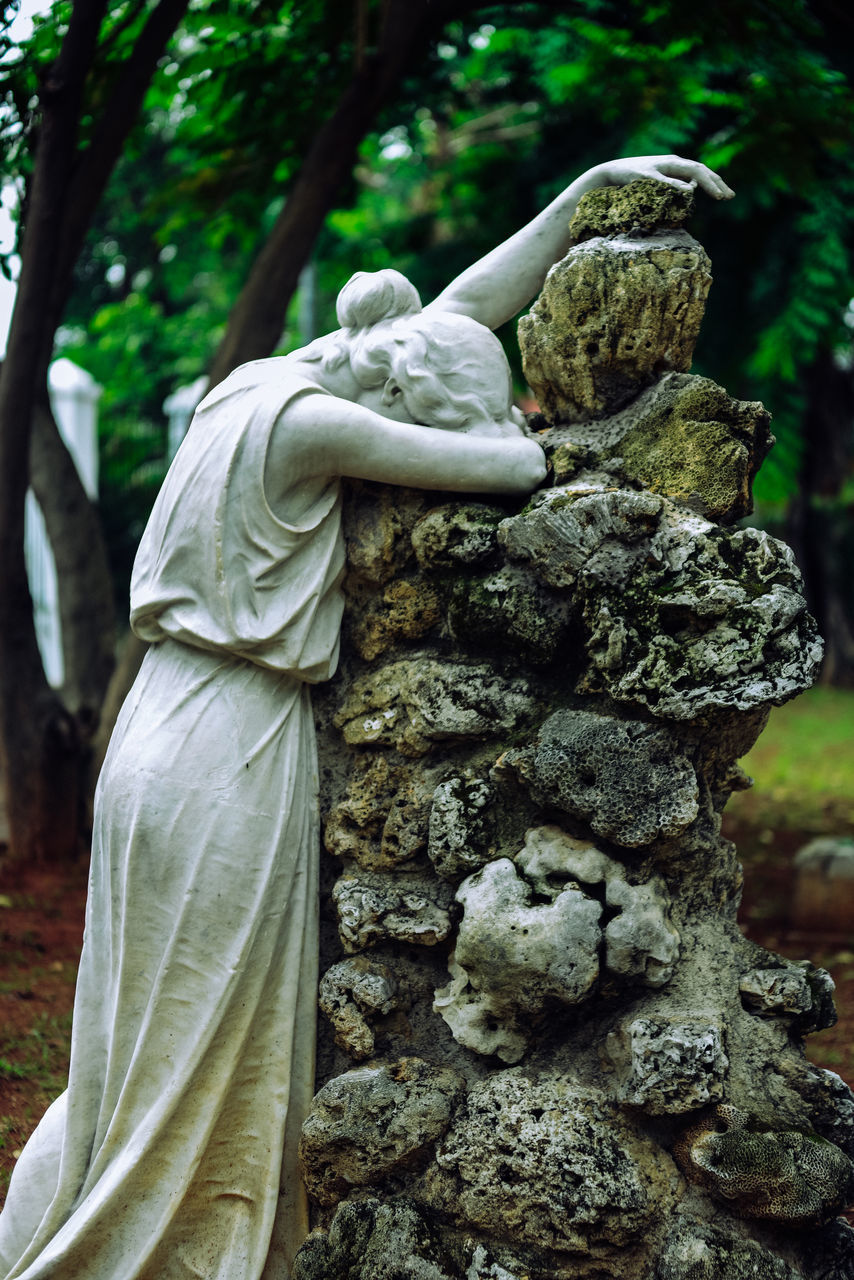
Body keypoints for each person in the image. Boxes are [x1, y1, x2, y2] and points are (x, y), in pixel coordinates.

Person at [0, 155, 731, 1280]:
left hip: (158, 729)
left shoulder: (260, 383)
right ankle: (157, 1247)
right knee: (202, 1035)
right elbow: (507, 462)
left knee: (141, 1030)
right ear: (389, 393)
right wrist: (521, 420)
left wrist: (579, 193)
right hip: (227, 746)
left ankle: (104, 1208)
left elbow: (450, 317)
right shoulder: (321, 432)